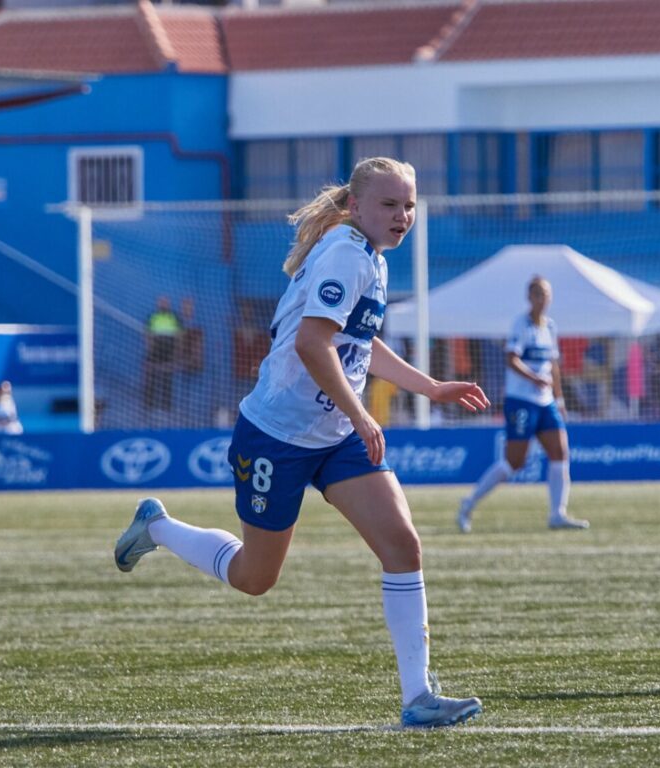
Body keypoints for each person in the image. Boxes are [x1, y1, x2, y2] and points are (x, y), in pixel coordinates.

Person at [114, 157, 489, 729]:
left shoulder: (370, 256)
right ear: (357, 206)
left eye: (409, 204)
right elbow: (315, 346)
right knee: (254, 578)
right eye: (390, 205)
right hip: (277, 437)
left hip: (335, 437)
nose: (403, 215)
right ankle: (158, 527)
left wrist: (430, 386)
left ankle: (417, 697)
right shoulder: (346, 253)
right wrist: (362, 414)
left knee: (402, 546)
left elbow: (358, 344)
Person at [456, 275, 589, 533]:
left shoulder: (550, 327)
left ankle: (557, 513)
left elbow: (554, 366)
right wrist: (535, 378)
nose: (543, 299)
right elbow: (511, 360)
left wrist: (559, 398)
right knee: (514, 462)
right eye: (538, 294)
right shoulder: (521, 324)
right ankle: (469, 502)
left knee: (560, 452)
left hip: (545, 402)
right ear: (530, 297)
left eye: (546, 294)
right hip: (521, 402)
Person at [143, 295, 182, 415]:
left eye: (165, 302)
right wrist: (149, 349)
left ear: (168, 304)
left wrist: (176, 352)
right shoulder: (152, 316)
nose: (163, 304)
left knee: (167, 378)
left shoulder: (174, 317)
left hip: (169, 349)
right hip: (155, 348)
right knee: (151, 377)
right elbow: (147, 334)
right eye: (161, 302)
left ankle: (166, 407)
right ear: (158, 304)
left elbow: (179, 336)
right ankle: (148, 406)